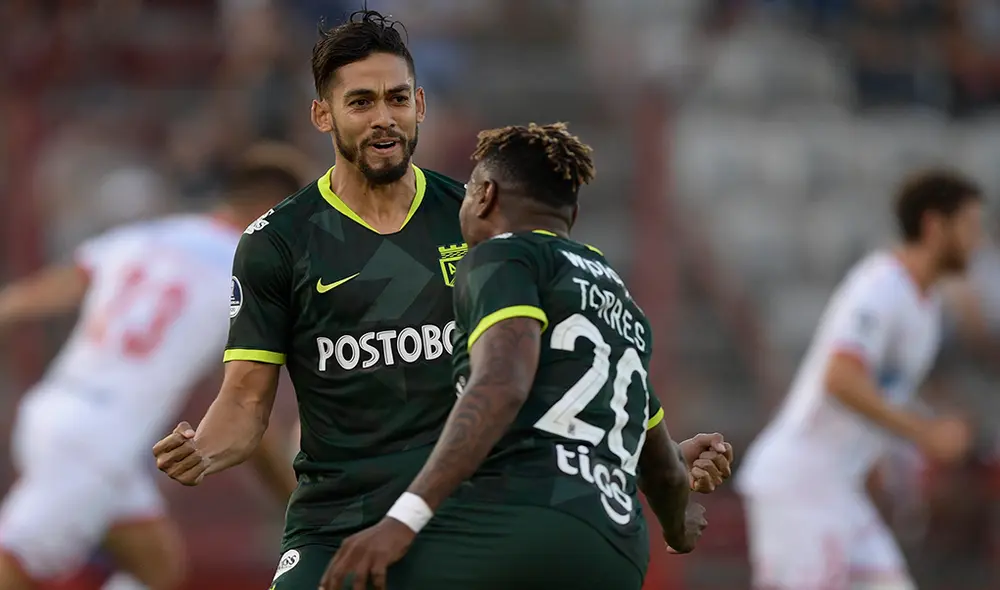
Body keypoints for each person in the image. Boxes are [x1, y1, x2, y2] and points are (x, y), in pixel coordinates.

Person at [152, 11, 734, 590]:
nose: (384, 119)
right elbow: (247, 402)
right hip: (335, 520)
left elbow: (568, 370)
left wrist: (656, 456)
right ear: (322, 114)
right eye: (361, 103)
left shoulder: (480, 220)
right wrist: (204, 449)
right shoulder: (278, 242)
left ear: (421, 104)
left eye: (397, 99)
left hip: (462, 513)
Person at [0, 143, 304, 590]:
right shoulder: (248, 275)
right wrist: (293, 500)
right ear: (272, 211)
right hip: (98, 443)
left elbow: (60, 287)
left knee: (157, 567)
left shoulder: (149, 235)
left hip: (61, 411)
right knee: (15, 565)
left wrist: (8, 307)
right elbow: (247, 408)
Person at [737, 169, 984, 590]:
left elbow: (879, 393)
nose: (979, 240)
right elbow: (840, 378)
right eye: (970, 226)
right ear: (934, 225)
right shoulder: (880, 287)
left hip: (839, 490)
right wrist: (926, 434)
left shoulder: (926, 309)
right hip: (801, 486)